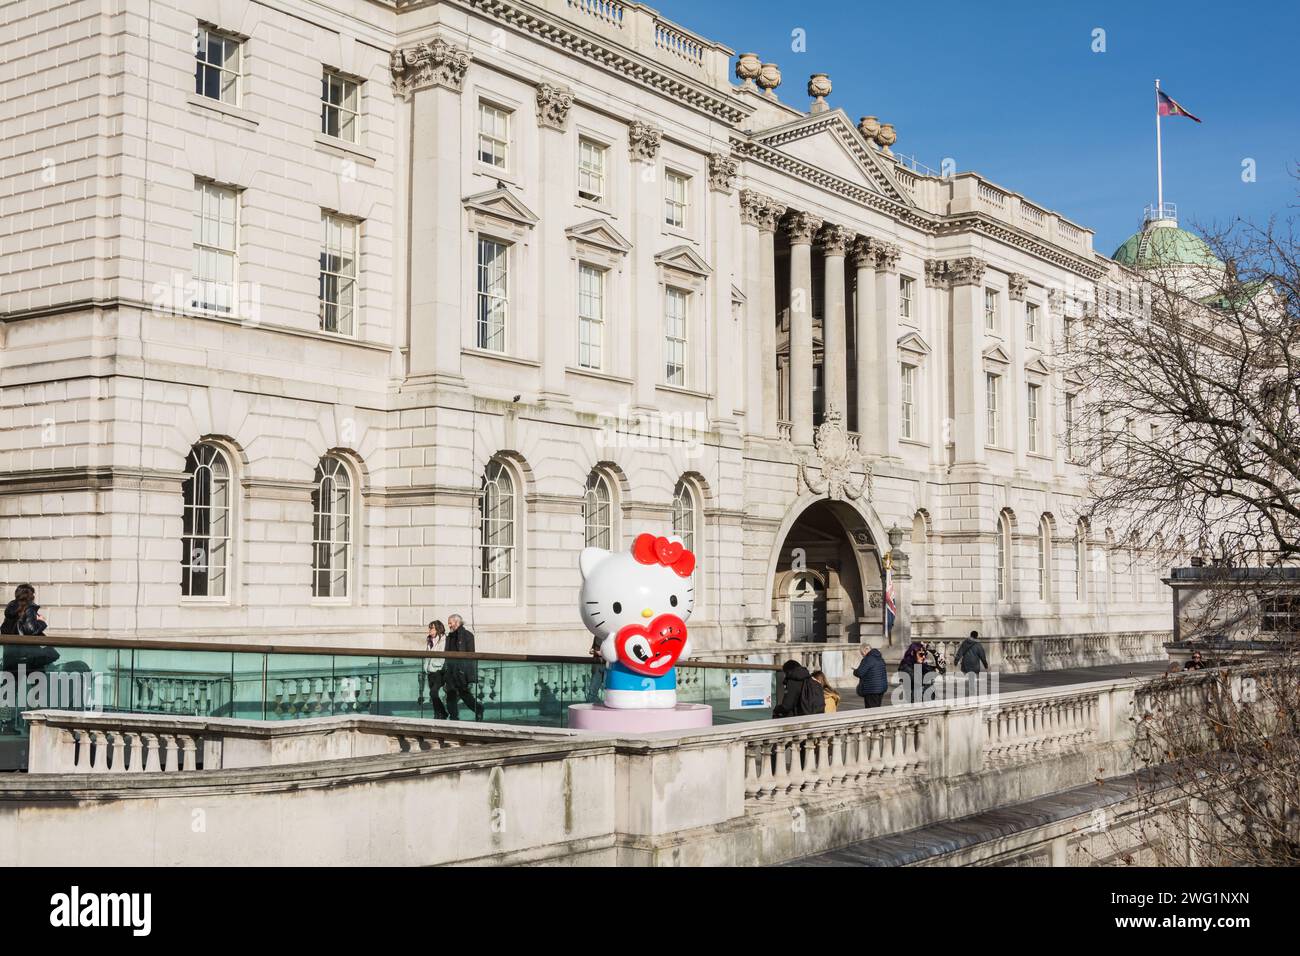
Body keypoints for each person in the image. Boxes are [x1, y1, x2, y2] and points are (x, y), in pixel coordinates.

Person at [444, 614, 484, 721]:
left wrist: (470, 676)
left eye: (450, 622)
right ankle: (454, 717)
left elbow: (471, 657)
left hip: (462, 672)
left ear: (457, 623)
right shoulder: (450, 636)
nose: (449, 625)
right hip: (451, 671)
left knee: (464, 695)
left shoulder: (468, 636)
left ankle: (478, 709)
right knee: (451, 694)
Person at [419, 620, 450, 719]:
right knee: (433, 694)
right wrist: (426, 667)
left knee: (433, 692)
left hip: (438, 671)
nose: (429, 630)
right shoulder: (430, 640)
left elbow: (442, 657)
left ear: (437, 629)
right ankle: (438, 713)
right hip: (430, 671)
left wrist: (435, 665)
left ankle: (442, 712)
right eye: (429, 628)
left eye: (431, 628)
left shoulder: (444, 640)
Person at [853, 644, 888, 708]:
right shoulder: (880, 658)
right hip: (881, 688)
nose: (862, 655)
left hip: (871, 689)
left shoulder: (868, 659)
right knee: (877, 708)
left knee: (870, 710)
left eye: (862, 653)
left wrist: (855, 670)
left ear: (865, 650)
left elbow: (860, 673)